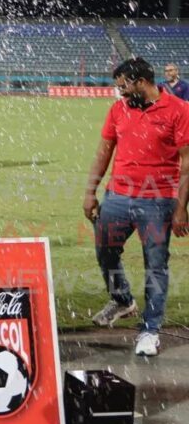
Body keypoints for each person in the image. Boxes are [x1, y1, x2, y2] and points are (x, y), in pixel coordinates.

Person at [83, 57, 189, 356]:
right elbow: (103, 152)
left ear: (141, 82)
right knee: (105, 251)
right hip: (116, 196)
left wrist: (181, 208)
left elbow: (187, 162)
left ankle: (149, 331)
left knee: (156, 265)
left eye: (124, 88)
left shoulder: (179, 110)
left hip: (158, 200)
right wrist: (90, 192)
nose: (121, 94)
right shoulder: (118, 110)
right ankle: (122, 299)